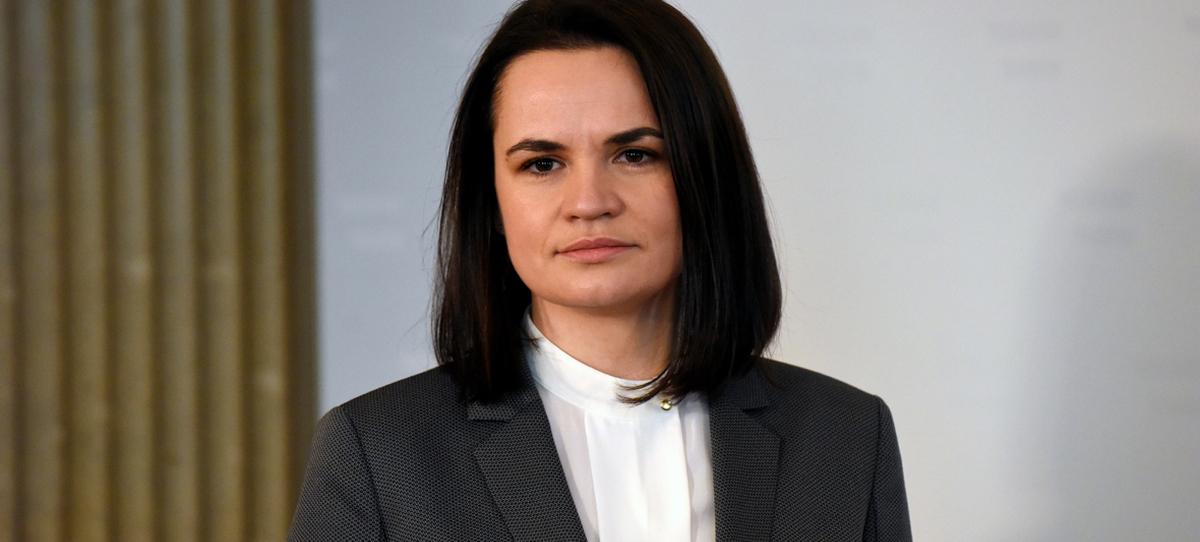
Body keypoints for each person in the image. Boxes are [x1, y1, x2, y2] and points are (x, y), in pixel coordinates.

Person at [289, 0, 912, 540]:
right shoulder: (379, 456)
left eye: (635, 154)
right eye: (541, 164)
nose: (589, 202)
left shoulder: (845, 438)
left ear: (705, 176)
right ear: (492, 203)